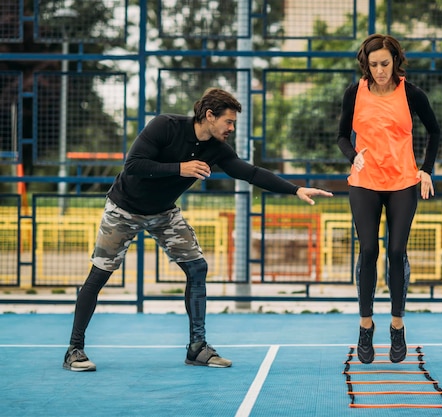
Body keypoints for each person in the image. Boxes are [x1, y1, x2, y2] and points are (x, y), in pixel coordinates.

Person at [63, 87, 333, 372]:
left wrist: (296, 189)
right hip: (124, 209)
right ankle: (74, 349)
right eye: (228, 122)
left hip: (163, 213)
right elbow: (133, 165)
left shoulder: (215, 147)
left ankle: (197, 348)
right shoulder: (165, 126)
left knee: (197, 267)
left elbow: (249, 172)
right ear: (209, 115)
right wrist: (180, 168)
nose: (231, 128)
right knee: (100, 273)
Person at [337, 34, 440, 364]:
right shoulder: (355, 93)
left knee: (397, 251)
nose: (379, 70)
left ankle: (397, 326)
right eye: (373, 64)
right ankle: (365, 326)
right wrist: (353, 156)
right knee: (369, 249)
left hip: (403, 182)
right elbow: (341, 135)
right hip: (365, 181)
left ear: (396, 61)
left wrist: (426, 169)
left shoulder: (411, 93)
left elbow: (434, 131)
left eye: (385, 63)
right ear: (365, 64)